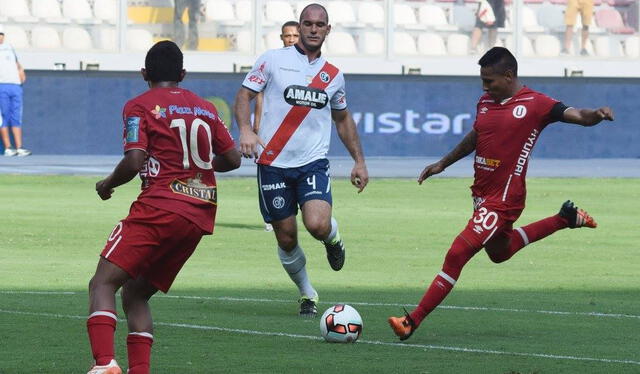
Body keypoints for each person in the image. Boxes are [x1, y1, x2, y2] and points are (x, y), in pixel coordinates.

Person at [388, 47, 614, 341]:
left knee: (457, 254)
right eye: (482, 81)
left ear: (508, 76)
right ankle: (565, 218)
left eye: (489, 81)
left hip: (504, 199)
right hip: (482, 196)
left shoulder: (536, 104)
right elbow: (478, 135)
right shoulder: (485, 101)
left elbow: (578, 115)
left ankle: (411, 321)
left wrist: (595, 115)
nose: (484, 87)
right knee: (500, 252)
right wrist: (443, 162)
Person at [86, 40, 241, 374]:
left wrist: (107, 184)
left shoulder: (139, 106)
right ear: (182, 74)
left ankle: (104, 364)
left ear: (144, 73)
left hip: (159, 207)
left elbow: (134, 160)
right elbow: (233, 158)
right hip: (198, 215)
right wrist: (198, 169)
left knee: (102, 284)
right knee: (136, 294)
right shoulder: (206, 108)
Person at [233, 4, 369, 317]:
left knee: (317, 225)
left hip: (313, 162)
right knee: (286, 235)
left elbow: (343, 119)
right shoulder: (272, 60)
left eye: (319, 25)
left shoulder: (333, 76)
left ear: (328, 30)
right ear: (300, 26)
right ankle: (307, 292)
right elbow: (244, 95)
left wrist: (359, 161)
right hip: (273, 163)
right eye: (308, 23)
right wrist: (244, 129)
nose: (313, 29)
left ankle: (332, 238)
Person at [254, 20, 300, 232]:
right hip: (271, 127)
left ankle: (291, 212)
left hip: (296, 129)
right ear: (281, 38)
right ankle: (271, 214)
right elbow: (259, 96)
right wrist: (256, 126)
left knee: (295, 168)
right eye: (287, 36)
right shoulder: (272, 61)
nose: (290, 39)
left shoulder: (309, 64)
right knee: (268, 167)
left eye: (294, 36)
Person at [0, 25, 30, 156]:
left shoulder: (9, 48)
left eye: (1, 34)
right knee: (3, 117)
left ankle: (19, 147)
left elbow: (17, 64)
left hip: (15, 86)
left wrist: (21, 71)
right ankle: (8, 148)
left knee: (16, 117)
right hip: (1, 85)